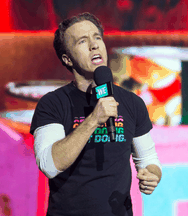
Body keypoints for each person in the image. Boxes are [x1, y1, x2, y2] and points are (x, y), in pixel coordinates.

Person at [30, 12, 162, 216]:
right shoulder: (53, 103)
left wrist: (152, 175)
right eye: (83, 41)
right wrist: (93, 120)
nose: (94, 45)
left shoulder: (132, 102)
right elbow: (49, 165)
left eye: (97, 37)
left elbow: (148, 159)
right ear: (67, 59)